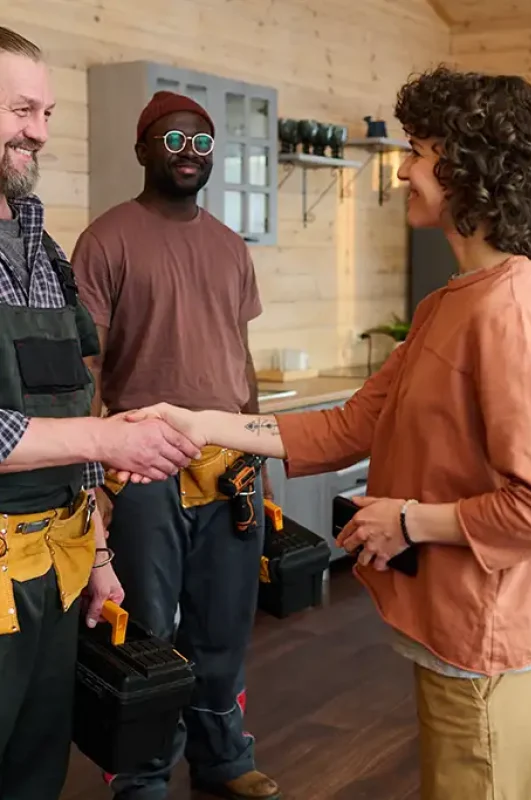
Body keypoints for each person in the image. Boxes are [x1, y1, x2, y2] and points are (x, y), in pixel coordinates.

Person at [126, 67, 531, 800]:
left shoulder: (507, 313)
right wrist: (201, 422)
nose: (403, 170)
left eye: (420, 152)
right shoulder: (449, 304)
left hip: (494, 639)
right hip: (457, 631)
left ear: (471, 169)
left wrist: (408, 521)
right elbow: (349, 425)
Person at [0, 27, 203, 800]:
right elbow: (85, 425)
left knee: (36, 770)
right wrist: (104, 437)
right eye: (21, 110)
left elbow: (68, 398)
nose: (40, 132)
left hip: (54, 569)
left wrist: (97, 557)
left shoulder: (41, 248)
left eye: (47, 113)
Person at [71, 90, 279, 800]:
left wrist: (261, 452)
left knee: (224, 625)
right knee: (146, 628)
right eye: (173, 141)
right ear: (142, 150)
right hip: (141, 467)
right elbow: (88, 367)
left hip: (230, 467)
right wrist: (90, 476)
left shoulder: (229, 245)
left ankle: (223, 760)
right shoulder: (107, 239)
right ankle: (142, 779)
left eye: (201, 143)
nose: (190, 155)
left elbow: (239, 357)